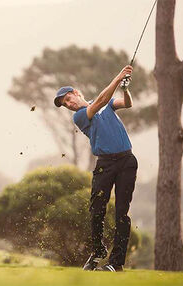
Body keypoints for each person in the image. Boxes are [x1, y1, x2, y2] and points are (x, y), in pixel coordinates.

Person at [53, 65, 138, 272]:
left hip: (126, 161)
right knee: (97, 209)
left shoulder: (106, 103)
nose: (69, 104)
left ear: (76, 93)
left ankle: (115, 263)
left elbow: (127, 104)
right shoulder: (80, 116)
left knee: (122, 213)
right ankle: (98, 251)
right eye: (65, 104)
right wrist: (118, 78)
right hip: (105, 164)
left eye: (68, 99)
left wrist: (125, 89)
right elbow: (100, 100)